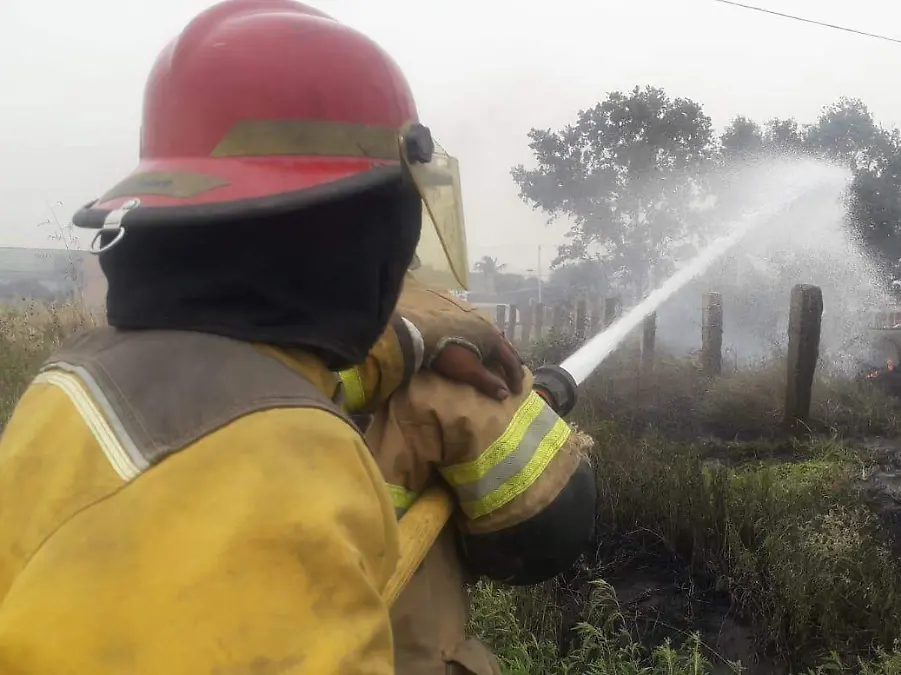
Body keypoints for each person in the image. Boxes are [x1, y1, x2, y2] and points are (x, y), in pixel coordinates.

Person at [0, 1, 520, 673]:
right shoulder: (290, 460)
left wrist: (416, 339)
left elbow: (249, 378)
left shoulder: (67, 387)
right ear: (362, 235)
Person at [358, 275, 598, 675]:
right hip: (396, 653)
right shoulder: (430, 320)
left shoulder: (251, 358)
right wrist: (411, 336)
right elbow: (554, 519)